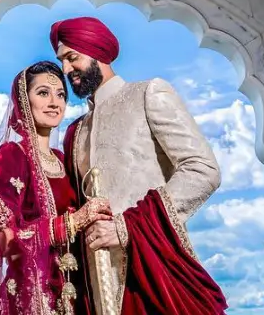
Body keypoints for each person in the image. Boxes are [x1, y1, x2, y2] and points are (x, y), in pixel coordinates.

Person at [52, 16, 228, 315]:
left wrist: (126, 227)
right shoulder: (76, 131)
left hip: (155, 269)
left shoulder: (147, 94)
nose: (66, 70)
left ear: (98, 53)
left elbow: (202, 169)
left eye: (72, 58)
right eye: (62, 62)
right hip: (95, 280)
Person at [0, 61, 114, 315]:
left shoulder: (64, 159)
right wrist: (70, 223)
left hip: (75, 295)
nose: (54, 102)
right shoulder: (11, 157)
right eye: (43, 93)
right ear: (23, 101)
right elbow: (1, 242)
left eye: (61, 94)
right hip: (29, 298)